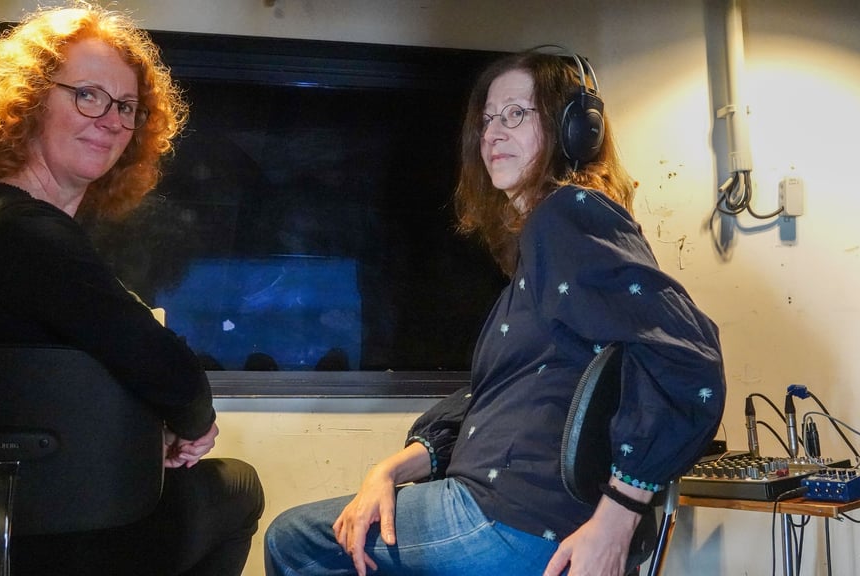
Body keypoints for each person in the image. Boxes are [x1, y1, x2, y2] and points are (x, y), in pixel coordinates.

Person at [263, 49, 726, 576]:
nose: (493, 133)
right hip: (507, 512)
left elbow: (691, 358)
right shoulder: (547, 246)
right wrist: (391, 468)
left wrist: (617, 519)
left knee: (293, 539)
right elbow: (497, 397)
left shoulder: (567, 216)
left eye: (515, 114)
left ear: (575, 130)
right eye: (487, 119)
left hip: (511, 519)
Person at [0, 4, 263, 575]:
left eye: (126, 106)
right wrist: (193, 425)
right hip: (50, 533)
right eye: (88, 95)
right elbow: (172, 372)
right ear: (23, 102)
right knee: (237, 486)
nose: (113, 120)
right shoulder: (23, 232)